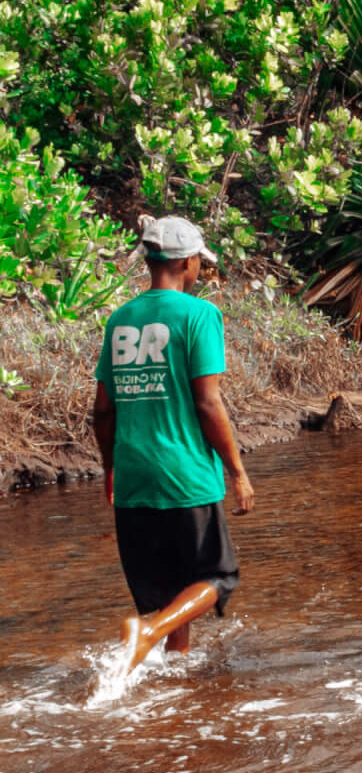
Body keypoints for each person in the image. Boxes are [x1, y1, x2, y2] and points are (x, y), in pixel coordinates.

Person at [91, 216, 255, 672]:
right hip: (183, 474)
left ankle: (172, 673)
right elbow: (207, 402)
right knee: (217, 578)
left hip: (135, 477)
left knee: (170, 588)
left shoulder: (120, 319)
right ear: (186, 262)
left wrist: (110, 469)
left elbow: (103, 411)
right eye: (200, 261)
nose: (201, 269)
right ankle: (151, 634)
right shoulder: (200, 315)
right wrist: (237, 472)